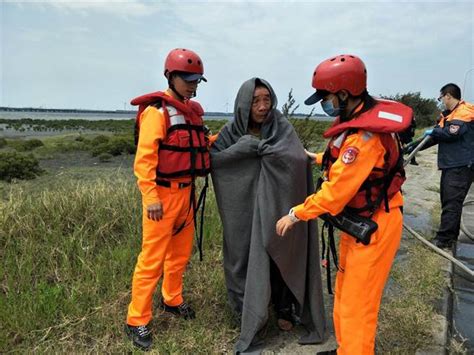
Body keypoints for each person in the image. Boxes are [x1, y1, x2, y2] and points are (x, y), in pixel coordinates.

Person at [276, 54, 413, 355]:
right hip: (361, 221)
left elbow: (336, 192)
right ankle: (345, 349)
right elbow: (343, 167)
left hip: (378, 224)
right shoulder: (354, 123)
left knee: (358, 303)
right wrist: (314, 157)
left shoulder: (364, 138)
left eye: (326, 97)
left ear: (343, 93)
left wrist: (296, 214)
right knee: (344, 292)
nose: (325, 104)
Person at [211, 77, 326, 353]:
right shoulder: (231, 132)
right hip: (242, 209)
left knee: (281, 251)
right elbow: (215, 160)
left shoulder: (281, 126)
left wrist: (273, 158)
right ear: (243, 104)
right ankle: (249, 315)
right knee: (241, 257)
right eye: (255, 101)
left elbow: (297, 159)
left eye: (267, 99)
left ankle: (285, 308)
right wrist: (242, 151)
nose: (263, 106)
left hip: (278, 205)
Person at [125, 48, 210, 350]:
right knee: (151, 260)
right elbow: (144, 160)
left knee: (179, 256)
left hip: (187, 196)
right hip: (161, 196)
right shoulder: (156, 113)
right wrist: (150, 197)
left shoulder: (190, 112)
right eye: (187, 78)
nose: (192, 84)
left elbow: (195, 147)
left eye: (196, 79)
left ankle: (171, 299)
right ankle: (137, 319)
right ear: (170, 76)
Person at [422, 83, 474, 249]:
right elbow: (437, 137)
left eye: (441, 98)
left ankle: (443, 241)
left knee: (451, 204)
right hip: (452, 166)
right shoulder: (451, 115)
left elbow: (451, 133)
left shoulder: (463, 113)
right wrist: (412, 147)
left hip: (460, 166)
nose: (441, 101)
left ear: (448, 96)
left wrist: (435, 131)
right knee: (448, 201)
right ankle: (449, 237)